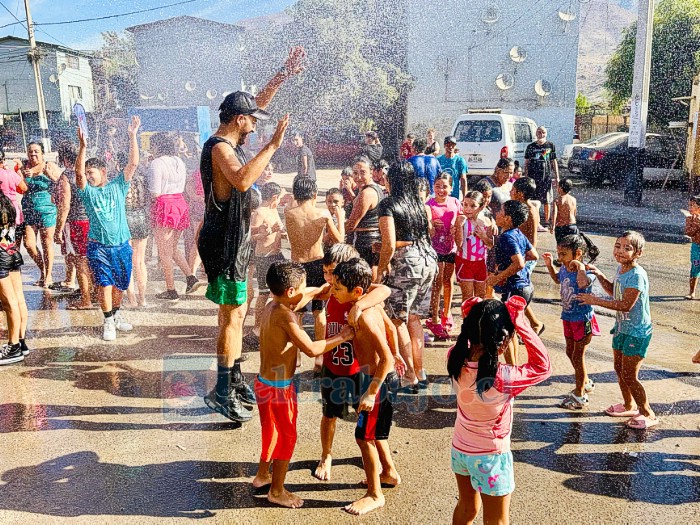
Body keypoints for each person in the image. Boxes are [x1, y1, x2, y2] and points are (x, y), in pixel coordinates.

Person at [197, 46, 305, 423]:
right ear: (239, 120)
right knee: (233, 315)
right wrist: (273, 145)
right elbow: (243, 180)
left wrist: (282, 75)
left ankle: (234, 377)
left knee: (237, 313)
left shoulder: (233, 138)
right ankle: (222, 391)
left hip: (236, 243)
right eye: (253, 121)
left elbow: (255, 102)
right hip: (224, 245)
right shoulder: (219, 148)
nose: (258, 125)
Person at [251, 260, 354, 509]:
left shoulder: (272, 304)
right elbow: (310, 349)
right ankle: (276, 490)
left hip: (263, 383)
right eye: (302, 287)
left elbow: (307, 293)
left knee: (270, 432)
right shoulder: (286, 316)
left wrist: (319, 289)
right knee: (287, 437)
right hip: (280, 389)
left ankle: (262, 475)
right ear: (290, 292)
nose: (305, 291)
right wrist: (342, 336)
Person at [447, 296, 551, 525]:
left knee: (466, 509)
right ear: (503, 343)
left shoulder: (454, 360)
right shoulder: (504, 378)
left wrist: (470, 315)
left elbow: (468, 336)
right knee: (496, 521)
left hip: (460, 451)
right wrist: (521, 322)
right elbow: (543, 367)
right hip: (491, 458)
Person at [313, 244, 395, 482]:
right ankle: (326, 455)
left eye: (333, 272)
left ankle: (384, 466)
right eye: (326, 272)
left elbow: (384, 291)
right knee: (330, 414)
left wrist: (358, 305)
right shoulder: (331, 290)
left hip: (359, 370)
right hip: (334, 364)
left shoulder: (362, 297)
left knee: (369, 426)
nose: (329, 279)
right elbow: (306, 296)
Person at [331, 258, 402, 516]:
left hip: (377, 383)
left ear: (357, 291)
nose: (334, 291)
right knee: (377, 433)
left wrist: (371, 392)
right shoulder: (368, 304)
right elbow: (391, 331)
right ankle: (389, 473)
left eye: (338, 288)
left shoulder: (364, 317)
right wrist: (396, 354)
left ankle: (374, 494)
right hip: (376, 379)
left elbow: (385, 358)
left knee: (363, 437)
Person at [578, 231, 658, 429]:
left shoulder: (637, 275)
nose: (620, 251)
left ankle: (648, 413)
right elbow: (615, 291)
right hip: (622, 328)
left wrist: (595, 301)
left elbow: (625, 305)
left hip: (637, 332)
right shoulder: (622, 269)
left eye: (627, 248)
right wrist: (599, 275)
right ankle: (629, 404)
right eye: (617, 246)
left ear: (638, 253)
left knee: (630, 375)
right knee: (619, 369)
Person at [76, 116, 140, 341]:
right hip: (98, 246)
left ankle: (116, 315)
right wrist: (83, 147)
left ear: (103, 172)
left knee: (120, 286)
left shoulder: (118, 186)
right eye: (87, 173)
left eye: (92, 172)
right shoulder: (87, 193)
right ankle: (107, 322)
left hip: (121, 245)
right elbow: (78, 175)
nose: (89, 176)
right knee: (105, 284)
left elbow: (132, 165)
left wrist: (132, 136)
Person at [377, 162, 437, 391]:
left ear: (391, 180)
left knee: (397, 319)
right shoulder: (420, 205)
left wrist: (382, 267)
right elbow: (422, 236)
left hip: (408, 265)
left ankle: (409, 374)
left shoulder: (388, 204)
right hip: (428, 261)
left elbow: (389, 243)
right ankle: (419, 371)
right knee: (414, 318)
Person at [285, 175, 342, 370]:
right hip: (317, 263)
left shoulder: (288, 212)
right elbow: (339, 240)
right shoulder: (322, 214)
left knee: (296, 313)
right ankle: (320, 359)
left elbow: (292, 203)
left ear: (296, 194)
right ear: (315, 194)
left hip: (296, 266)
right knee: (319, 311)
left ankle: (297, 355)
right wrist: (340, 218)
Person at [542, 234, 601, 409]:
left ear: (578, 253)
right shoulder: (565, 268)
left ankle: (580, 394)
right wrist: (550, 265)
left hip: (582, 319)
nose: (560, 258)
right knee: (570, 351)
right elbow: (557, 279)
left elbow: (582, 284)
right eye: (558, 254)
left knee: (578, 354)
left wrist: (581, 267)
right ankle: (585, 381)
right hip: (568, 316)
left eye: (564, 254)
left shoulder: (589, 270)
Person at [148, 132, 201, 300]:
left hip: (164, 205)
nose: (150, 149)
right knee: (172, 248)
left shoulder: (157, 163)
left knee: (164, 252)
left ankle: (171, 290)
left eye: (152, 145)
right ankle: (191, 277)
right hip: (180, 203)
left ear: (157, 146)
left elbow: (155, 192)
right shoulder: (179, 161)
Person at [485, 201, 539, 364]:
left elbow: (520, 263)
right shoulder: (517, 233)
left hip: (514, 290)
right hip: (526, 289)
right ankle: (512, 367)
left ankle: (510, 370)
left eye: (500, 210)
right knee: (510, 332)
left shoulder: (507, 237)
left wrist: (498, 277)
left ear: (507, 218)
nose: (497, 212)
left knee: (503, 333)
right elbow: (533, 255)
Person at [54, 143, 93, 308]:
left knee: (80, 261)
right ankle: (94, 293)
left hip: (76, 222)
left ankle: (86, 300)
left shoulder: (66, 176)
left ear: (63, 159)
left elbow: (65, 205)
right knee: (91, 259)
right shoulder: (88, 173)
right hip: (92, 221)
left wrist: (58, 229)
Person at [21, 141, 62, 288]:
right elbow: (20, 186)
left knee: (46, 243)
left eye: (36, 151)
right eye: (30, 151)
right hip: (29, 209)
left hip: (48, 209)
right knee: (29, 244)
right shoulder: (23, 166)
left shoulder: (49, 165)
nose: (33, 154)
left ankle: (48, 275)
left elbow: (61, 182)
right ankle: (43, 270)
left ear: (42, 153)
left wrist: (45, 173)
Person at [426, 173, 461, 339]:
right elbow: (424, 222)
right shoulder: (429, 204)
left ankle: (446, 313)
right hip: (435, 248)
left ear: (451, 188)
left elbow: (463, 218)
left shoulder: (455, 202)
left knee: (448, 281)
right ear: (433, 187)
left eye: (445, 186)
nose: (441, 189)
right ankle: (434, 316)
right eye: (438, 186)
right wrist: (431, 223)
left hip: (451, 247)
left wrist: (457, 226)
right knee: (437, 283)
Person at [250, 182, 287, 336]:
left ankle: (275, 323)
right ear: (274, 197)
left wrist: (281, 233)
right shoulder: (259, 212)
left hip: (276, 255)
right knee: (264, 293)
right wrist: (269, 231)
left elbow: (278, 229)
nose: (279, 201)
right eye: (278, 198)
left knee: (281, 290)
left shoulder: (273, 210)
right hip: (263, 257)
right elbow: (253, 236)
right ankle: (257, 326)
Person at [510, 177, 544, 335]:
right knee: (517, 291)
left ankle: (533, 324)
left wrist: (524, 257)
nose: (510, 192)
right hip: (524, 255)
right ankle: (532, 323)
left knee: (520, 291)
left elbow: (530, 239)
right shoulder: (526, 206)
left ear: (520, 194)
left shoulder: (528, 210)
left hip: (526, 257)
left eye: (513, 190)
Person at [0, 189, 30, 365]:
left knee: (9, 303)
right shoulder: (6, 202)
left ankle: (13, 348)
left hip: (1, 256)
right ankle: (21, 342)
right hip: (11, 251)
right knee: (19, 300)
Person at [345, 156, 384, 276]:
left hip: (364, 243)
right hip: (372, 242)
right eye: (355, 173)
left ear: (371, 172)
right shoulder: (375, 189)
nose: (358, 177)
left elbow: (351, 225)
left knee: (361, 282)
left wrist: (333, 230)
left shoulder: (367, 193)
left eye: (363, 172)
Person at [125, 148, 153, 308]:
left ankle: (132, 300)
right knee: (140, 262)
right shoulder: (143, 177)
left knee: (128, 262)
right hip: (142, 217)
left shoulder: (121, 178)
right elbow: (149, 199)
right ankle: (143, 299)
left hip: (126, 219)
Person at [455, 191, 494, 301]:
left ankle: (477, 319)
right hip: (465, 262)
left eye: (473, 206)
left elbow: (491, 245)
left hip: (481, 263)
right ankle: (467, 318)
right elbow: (459, 244)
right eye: (465, 205)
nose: (467, 209)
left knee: (480, 297)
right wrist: (459, 227)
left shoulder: (487, 222)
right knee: (467, 298)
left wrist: (483, 237)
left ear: (481, 207)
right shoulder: (461, 220)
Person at [524, 126, 559, 228]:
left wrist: (557, 176)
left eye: (543, 132)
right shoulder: (530, 147)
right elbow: (526, 163)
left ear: (546, 134)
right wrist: (526, 177)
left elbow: (553, 161)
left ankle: (547, 221)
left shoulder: (550, 145)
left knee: (547, 200)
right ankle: (536, 220)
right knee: (534, 200)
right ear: (536, 133)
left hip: (546, 177)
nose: (541, 134)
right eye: (539, 132)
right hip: (533, 178)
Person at [550, 178, 579, 243]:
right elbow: (574, 213)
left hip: (561, 227)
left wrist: (553, 225)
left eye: (558, 186)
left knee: (561, 247)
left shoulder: (557, 200)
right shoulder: (573, 199)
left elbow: (554, 213)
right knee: (572, 247)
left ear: (560, 188)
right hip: (572, 226)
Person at [683, 195, 700, 301]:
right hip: (696, 247)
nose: (689, 208)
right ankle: (691, 292)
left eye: (692, 205)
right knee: (695, 268)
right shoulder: (690, 218)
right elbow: (689, 232)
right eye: (689, 205)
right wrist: (696, 224)